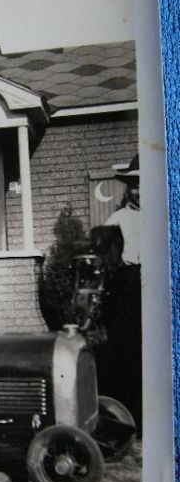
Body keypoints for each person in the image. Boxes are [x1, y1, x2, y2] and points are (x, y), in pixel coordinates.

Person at [102, 153, 142, 432]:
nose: (139, 190)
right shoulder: (118, 218)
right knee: (127, 351)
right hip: (128, 287)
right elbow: (104, 259)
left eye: (144, 183)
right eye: (135, 184)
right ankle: (131, 418)